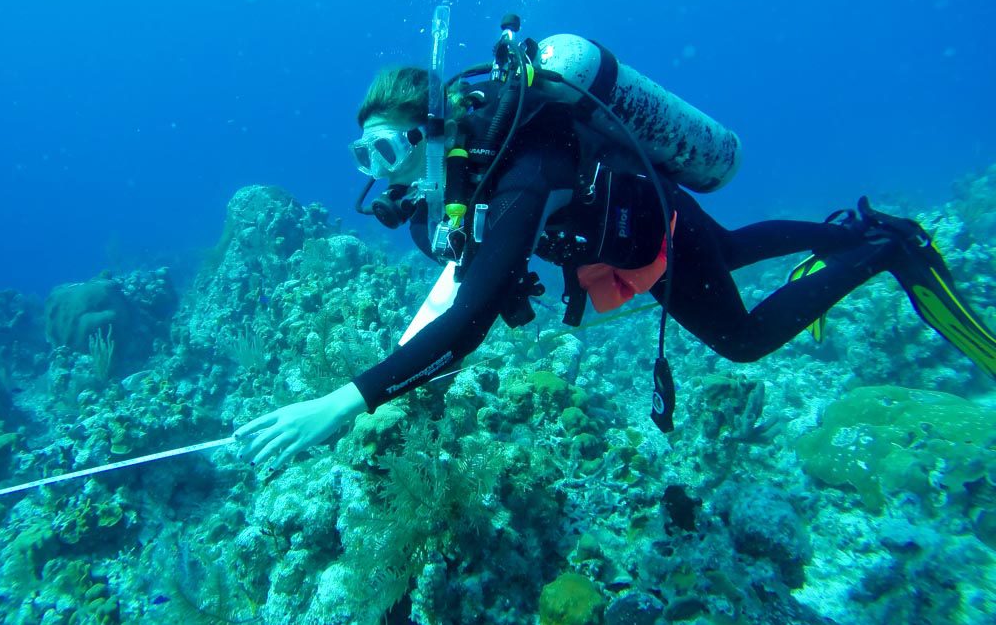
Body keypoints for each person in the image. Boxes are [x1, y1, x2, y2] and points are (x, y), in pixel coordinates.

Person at [236, 32, 996, 471]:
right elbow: (472, 273)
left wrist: (344, 399)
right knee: (729, 247)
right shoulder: (467, 182)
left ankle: (884, 248)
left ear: (429, 131)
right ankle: (848, 231)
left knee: (744, 339)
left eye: (386, 153)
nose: (380, 177)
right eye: (364, 158)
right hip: (638, 227)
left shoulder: (521, 173)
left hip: (652, 230)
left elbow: (465, 323)